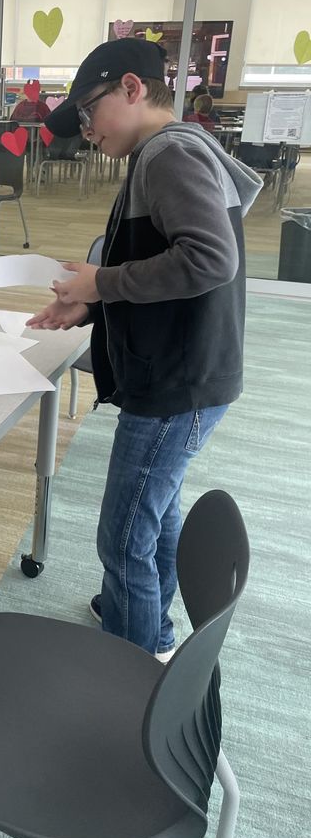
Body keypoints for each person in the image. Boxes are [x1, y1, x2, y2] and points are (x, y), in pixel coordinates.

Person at [27, 37, 262, 661]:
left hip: (176, 384)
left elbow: (210, 259)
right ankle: (150, 626)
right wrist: (94, 296)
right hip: (186, 373)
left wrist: (102, 282)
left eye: (87, 111)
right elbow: (162, 255)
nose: (85, 131)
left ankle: (130, 671)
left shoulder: (168, 154)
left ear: (132, 89)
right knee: (153, 510)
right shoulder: (172, 148)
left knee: (124, 533)